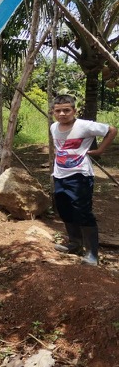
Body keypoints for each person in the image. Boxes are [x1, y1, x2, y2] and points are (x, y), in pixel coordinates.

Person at [50, 94, 117, 266]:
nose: (62, 114)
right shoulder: (54, 127)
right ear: (53, 112)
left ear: (74, 110)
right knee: (64, 209)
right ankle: (75, 244)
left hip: (80, 176)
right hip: (59, 175)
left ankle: (92, 253)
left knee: (83, 211)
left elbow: (111, 130)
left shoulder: (84, 126)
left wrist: (100, 150)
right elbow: (60, 148)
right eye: (58, 111)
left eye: (66, 110)